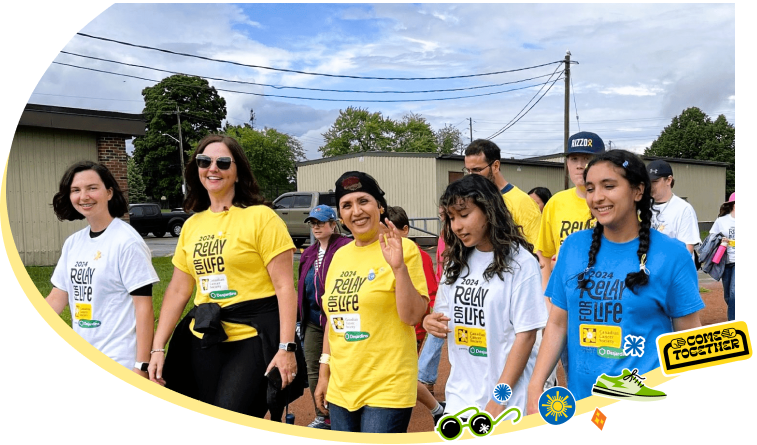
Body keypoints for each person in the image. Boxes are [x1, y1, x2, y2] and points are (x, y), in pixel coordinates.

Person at [526, 150, 704, 410]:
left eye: (609, 186)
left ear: (637, 191)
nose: (597, 197)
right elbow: (557, 323)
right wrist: (535, 385)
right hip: (583, 404)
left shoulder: (672, 254)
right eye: (590, 188)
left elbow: (689, 336)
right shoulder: (573, 247)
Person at [148, 134, 302, 418]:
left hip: (251, 337)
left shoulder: (261, 218)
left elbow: (284, 287)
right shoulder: (192, 225)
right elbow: (179, 291)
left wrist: (286, 347)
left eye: (223, 162)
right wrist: (157, 347)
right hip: (204, 336)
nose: (212, 168)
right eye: (204, 161)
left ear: (238, 170)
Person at [423, 174, 549, 416]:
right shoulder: (455, 263)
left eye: (464, 215)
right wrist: (430, 322)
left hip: (506, 401)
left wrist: (499, 398)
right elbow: (442, 315)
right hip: (461, 397)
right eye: (451, 218)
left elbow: (526, 337)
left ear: (489, 211)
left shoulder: (520, 262)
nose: (456, 226)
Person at [314, 171, 429, 433]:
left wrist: (399, 268)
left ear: (380, 206)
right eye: (347, 205)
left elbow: (413, 316)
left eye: (363, 201)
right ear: (340, 216)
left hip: (387, 386)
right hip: (343, 387)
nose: (356, 211)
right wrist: (324, 374)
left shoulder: (404, 249)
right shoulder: (339, 256)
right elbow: (334, 320)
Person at [46, 161, 159, 376]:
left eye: (92, 188)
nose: (84, 196)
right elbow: (56, 298)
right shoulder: (73, 243)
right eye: (76, 190)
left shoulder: (126, 241)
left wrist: (141, 366)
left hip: (119, 360)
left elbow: (144, 308)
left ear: (109, 193)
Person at [534, 131, 606, 384]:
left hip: (604, 301)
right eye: (573, 158)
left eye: (587, 157)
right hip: (565, 302)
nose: (579, 164)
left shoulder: (610, 201)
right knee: (573, 370)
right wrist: (547, 299)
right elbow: (543, 254)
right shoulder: (556, 203)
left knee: (609, 366)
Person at [384, 205, 445, 423]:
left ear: (406, 230)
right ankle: (438, 409)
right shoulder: (379, 255)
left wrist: (421, 322)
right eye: (384, 230)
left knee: (400, 375)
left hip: (413, 327)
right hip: (388, 328)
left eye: (393, 230)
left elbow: (428, 292)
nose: (388, 236)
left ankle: (437, 408)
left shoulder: (418, 256)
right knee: (401, 375)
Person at [298, 204, 351, 429]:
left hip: (339, 320)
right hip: (313, 320)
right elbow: (301, 286)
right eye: (313, 223)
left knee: (339, 367)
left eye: (320, 222)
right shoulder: (308, 253)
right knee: (313, 367)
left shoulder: (345, 247)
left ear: (333, 224)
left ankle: (343, 413)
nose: (316, 227)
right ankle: (322, 415)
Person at [464, 139, 541, 247]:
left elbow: (534, 248)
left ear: (495, 166)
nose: (471, 176)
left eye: (477, 170)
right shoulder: (472, 198)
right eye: (468, 170)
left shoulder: (522, 202)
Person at [648, 159, 701, 256]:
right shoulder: (644, 207)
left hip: (673, 269)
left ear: (668, 180)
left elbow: (687, 249)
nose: (650, 186)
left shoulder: (683, 209)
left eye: (654, 181)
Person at [709, 192, 735, 320]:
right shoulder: (721, 220)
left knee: (734, 294)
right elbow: (711, 237)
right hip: (725, 261)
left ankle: (733, 324)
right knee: (728, 296)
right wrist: (721, 240)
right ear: (733, 205)